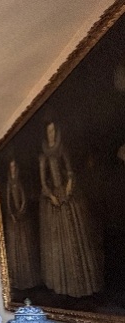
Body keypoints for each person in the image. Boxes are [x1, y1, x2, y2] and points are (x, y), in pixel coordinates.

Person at [38, 121, 102, 297]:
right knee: (59, 242)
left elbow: (70, 171)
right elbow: (43, 181)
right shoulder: (43, 157)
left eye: (53, 130)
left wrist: (68, 188)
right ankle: (63, 284)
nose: (51, 134)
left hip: (67, 194)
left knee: (76, 237)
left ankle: (81, 284)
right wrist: (52, 196)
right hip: (54, 199)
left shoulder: (62, 150)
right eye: (49, 131)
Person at [5, 158, 40, 289]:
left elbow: (24, 198)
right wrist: (12, 214)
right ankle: (18, 279)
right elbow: (8, 200)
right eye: (11, 167)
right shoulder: (9, 184)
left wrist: (21, 211)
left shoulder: (21, 182)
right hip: (14, 218)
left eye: (14, 166)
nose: (13, 169)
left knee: (26, 245)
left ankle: (29, 278)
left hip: (23, 217)